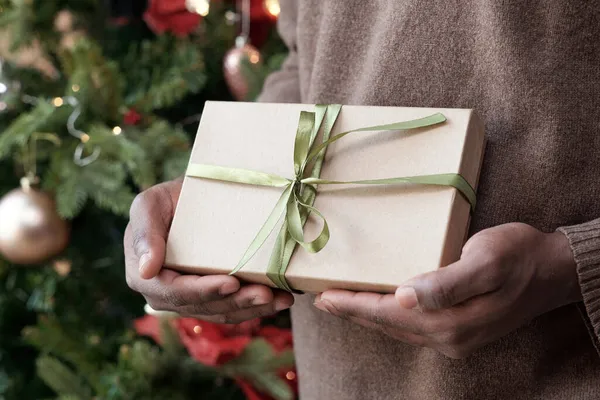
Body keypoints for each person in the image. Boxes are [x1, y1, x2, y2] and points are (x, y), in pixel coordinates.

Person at [124, 1, 600, 398]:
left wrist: (572, 264)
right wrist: (220, 196)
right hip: (341, 375)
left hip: (557, 370)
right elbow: (307, 54)